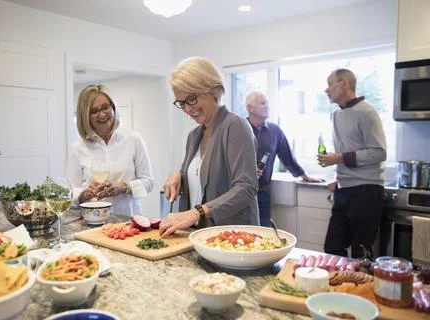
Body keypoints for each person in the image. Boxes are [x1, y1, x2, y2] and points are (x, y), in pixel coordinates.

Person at [159, 57, 259, 238]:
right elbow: (198, 175)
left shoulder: (235, 126)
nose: (187, 109)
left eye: (191, 98)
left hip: (233, 240)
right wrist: (178, 174)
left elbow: (246, 188)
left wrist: (196, 212)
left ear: (213, 89)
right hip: (201, 237)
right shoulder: (194, 136)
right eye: (181, 103)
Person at [318, 69, 386, 259]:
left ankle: (358, 288)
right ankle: (341, 287)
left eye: (330, 84)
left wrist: (338, 158)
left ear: (344, 83)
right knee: (332, 248)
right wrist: (336, 177)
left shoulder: (367, 112)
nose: (327, 89)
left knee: (361, 254)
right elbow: (348, 149)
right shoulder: (336, 116)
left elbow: (379, 152)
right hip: (343, 190)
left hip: (366, 191)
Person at [67, 84, 155, 215]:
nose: (102, 114)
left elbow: (148, 183)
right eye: (94, 111)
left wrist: (124, 187)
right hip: (93, 220)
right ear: (85, 116)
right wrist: (84, 194)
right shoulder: (78, 147)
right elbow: (71, 192)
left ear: (113, 107)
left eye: (105, 107)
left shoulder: (133, 139)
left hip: (129, 221)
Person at [245, 90, 320, 227]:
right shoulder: (239, 128)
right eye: (263, 103)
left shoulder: (275, 131)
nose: (267, 106)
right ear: (250, 108)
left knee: (263, 234)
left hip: (262, 193)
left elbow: (287, 158)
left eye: (267, 103)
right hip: (239, 193)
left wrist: (304, 175)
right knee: (238, 235)